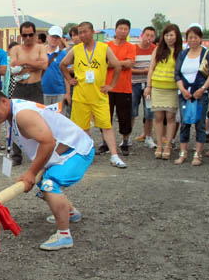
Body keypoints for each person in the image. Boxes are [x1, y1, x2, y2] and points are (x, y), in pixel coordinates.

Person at [0, 87, 94, 251]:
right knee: (41, 182)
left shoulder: (22, 114)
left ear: (3, 101)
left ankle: (64, 235)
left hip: (77, 150)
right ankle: (70, 212)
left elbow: (48, 142)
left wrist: (31, 172)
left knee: (48, 184)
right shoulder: (12, 113)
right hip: (63, 151)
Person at [59, 21, 127, 169]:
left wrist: (111, 85)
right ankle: (87, 153)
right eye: (80, 32)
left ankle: (114, 155)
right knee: (82, 128)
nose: (82, 35)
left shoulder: (104, 48)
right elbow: (62, 64)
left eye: (85, 32)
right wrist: (70, 79)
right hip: (81, 96)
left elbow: (117, 65)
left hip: (99, 95)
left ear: (92, 32)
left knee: (106, 126)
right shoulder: (76, 50)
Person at [174, 25, 209, 166]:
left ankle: (198, 154)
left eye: (195, 37)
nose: (193, 40)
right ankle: (183, 153)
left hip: (200, 93)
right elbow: (177, 74)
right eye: (190, 37)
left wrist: (203, 88)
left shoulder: (206, 54)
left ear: (200, 38)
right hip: (184, 94)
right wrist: (182, 89)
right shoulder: (183, 54)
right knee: (184, 122)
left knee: (200, 123)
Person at [8, 22, 49, 165]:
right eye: (25, 35)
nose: (28, 38)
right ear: (21, 35)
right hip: (20, 87)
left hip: (35, 88)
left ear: (35, 34)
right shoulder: (16, 49)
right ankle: (16, 155)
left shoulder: (40, 48)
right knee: (15, 120)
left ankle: (39, 154)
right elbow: (14, 69)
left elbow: (44, 65)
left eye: (31, 35)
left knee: (39, 120)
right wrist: (33, 64)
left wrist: (24, 62)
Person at [144, 24, 182, 161]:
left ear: (177, 36)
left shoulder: (181, 51)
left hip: (172, 88)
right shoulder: (158, 49)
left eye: (171, 35)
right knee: (158, 117)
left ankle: (168, 145)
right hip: (157, 87)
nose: (169, 38)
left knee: (171, 118)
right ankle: (159, 145)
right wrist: (148, 86)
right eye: (166, 35)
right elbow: (151, 69)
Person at [102, 19, 136, 156]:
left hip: (124, 87)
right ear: (115, 30)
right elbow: (104, 64)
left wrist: (114, 63)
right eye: (120, 28)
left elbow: (129, 64)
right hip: (107, 87)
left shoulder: (131, 47)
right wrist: (121, 63)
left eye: (125, 29)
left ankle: (125, 142)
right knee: (105, 116)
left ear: (128, 31)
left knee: (125, 117)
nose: (122, 31)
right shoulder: (106, 46)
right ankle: (105, 143)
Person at [132, 26, 157, 149]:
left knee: (149, 111)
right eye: (147, 35)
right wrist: (144, 71)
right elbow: (128, 68)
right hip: (134, 83)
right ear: (142, 35)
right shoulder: (133, 48)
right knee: (132, 111)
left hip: (149, 85)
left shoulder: (155, 49)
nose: (149, 38)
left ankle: (148, 137)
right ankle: (127, 137)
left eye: (152, 36)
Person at [41, 25, 69, 107]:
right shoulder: (40, 53)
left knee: (59, 115)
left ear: (60, 39)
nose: (54, 39)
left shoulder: (63, 55)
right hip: (42, 92)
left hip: (59, 93)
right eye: (52, 36)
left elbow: (66, 75)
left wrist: (68, 93)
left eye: (57, 37)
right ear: (48, 37)